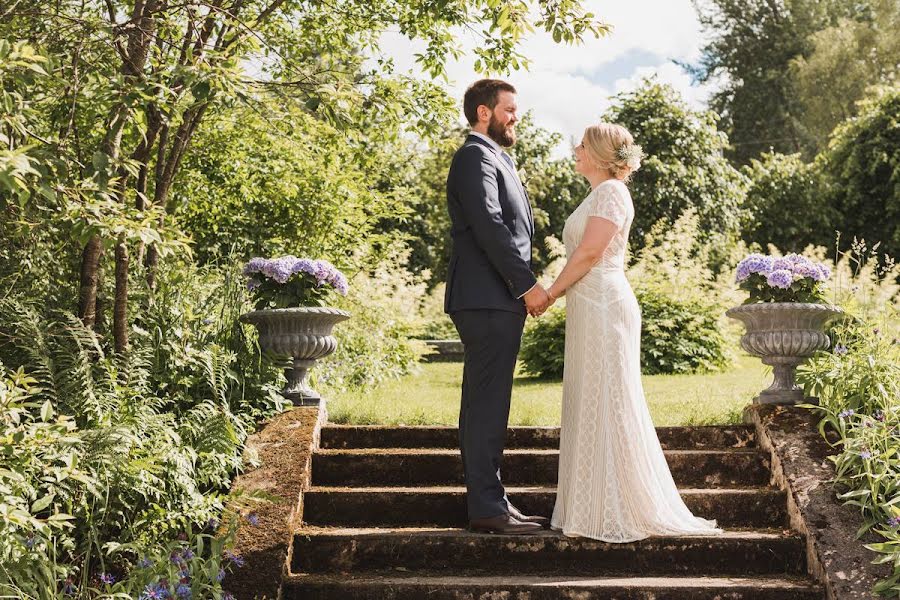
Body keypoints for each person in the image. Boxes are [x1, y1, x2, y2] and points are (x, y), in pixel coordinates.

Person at [543, 123, 723, 542]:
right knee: (589, 396)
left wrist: (549, 293)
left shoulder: (610, 193)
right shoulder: (596, 194)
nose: (575, 149)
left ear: (602, 154)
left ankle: (618, 505)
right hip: (588, 306)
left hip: (604, 304)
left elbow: (590, 251)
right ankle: (588, 504)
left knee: (609, 396)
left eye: (582, 145)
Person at [444, 79, 551, 535]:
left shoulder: (495, 158)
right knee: (487, 404)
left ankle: (494, 502)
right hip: (487, 298)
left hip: (493, 299)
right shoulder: (474, 156)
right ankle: (487, 509)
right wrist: (526, 285)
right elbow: (489, 226)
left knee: (489, 402)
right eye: (509, 109)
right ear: (484, 113)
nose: (516, 117)